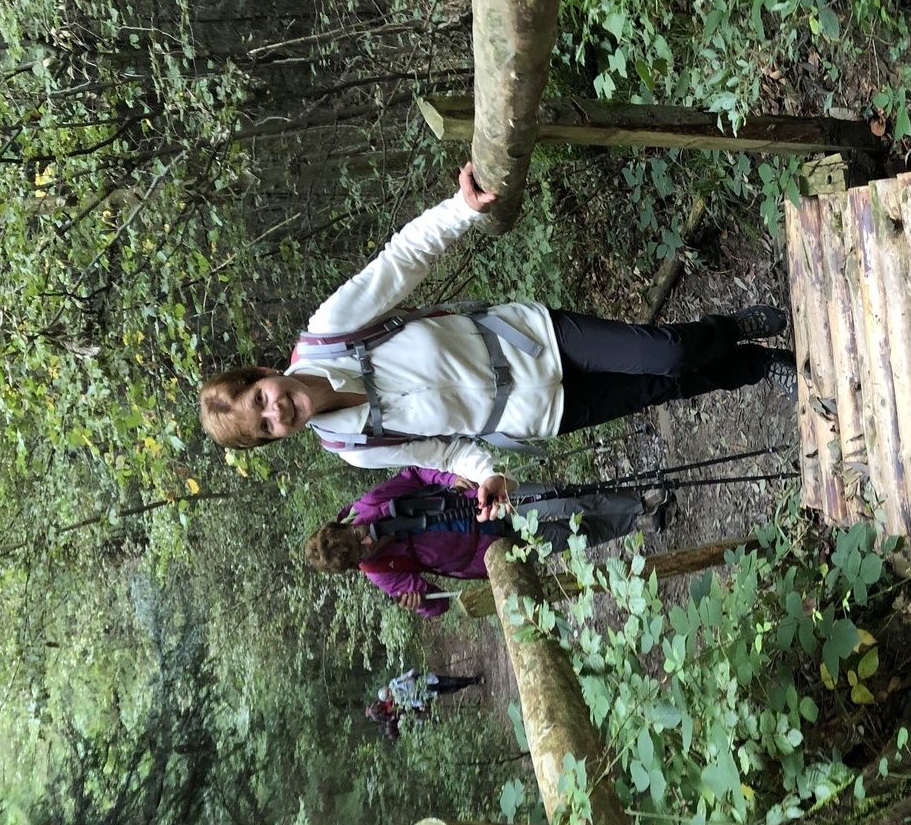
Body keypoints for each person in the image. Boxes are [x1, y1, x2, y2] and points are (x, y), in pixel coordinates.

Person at [199, 163, 795, 518]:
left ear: (262, 376)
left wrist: (461, 210)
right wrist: (486, 475)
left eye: (260, 400)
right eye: (266, 428)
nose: (276, 411)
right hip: (539, 413)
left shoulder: (333, 330)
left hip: (531, 341)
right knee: (664, 388)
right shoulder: (355, 447)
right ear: (278, 438)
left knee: (668, 353)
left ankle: (732, 329)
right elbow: (445, 452)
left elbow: (403, 260)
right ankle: (757, 367)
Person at [306, 464, 658, 617]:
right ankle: (636, 520)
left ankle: (641, 501)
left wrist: (449, 477)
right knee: (568, 535)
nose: (365, 538)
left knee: (564, 499)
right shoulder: (381, 571)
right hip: (491, 553)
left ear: (344, 524)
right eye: (359, 549)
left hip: (479, 503)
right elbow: (439, 603)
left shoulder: (368, 506)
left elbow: (413, 475)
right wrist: (422, 603)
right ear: (356, 563)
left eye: (356, 533)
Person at [365, 668, 482, 739]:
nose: (390, 694)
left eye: (388, 692)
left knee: (450, 681)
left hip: (424, 681)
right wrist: (419, 704)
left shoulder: (394, 684)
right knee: (452, 689)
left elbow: (404, 677)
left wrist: (410, 673)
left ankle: (474, 680)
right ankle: (466, 683)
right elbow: (411, 702)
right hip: (425, 694)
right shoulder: (398, 701)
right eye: (388, 695)